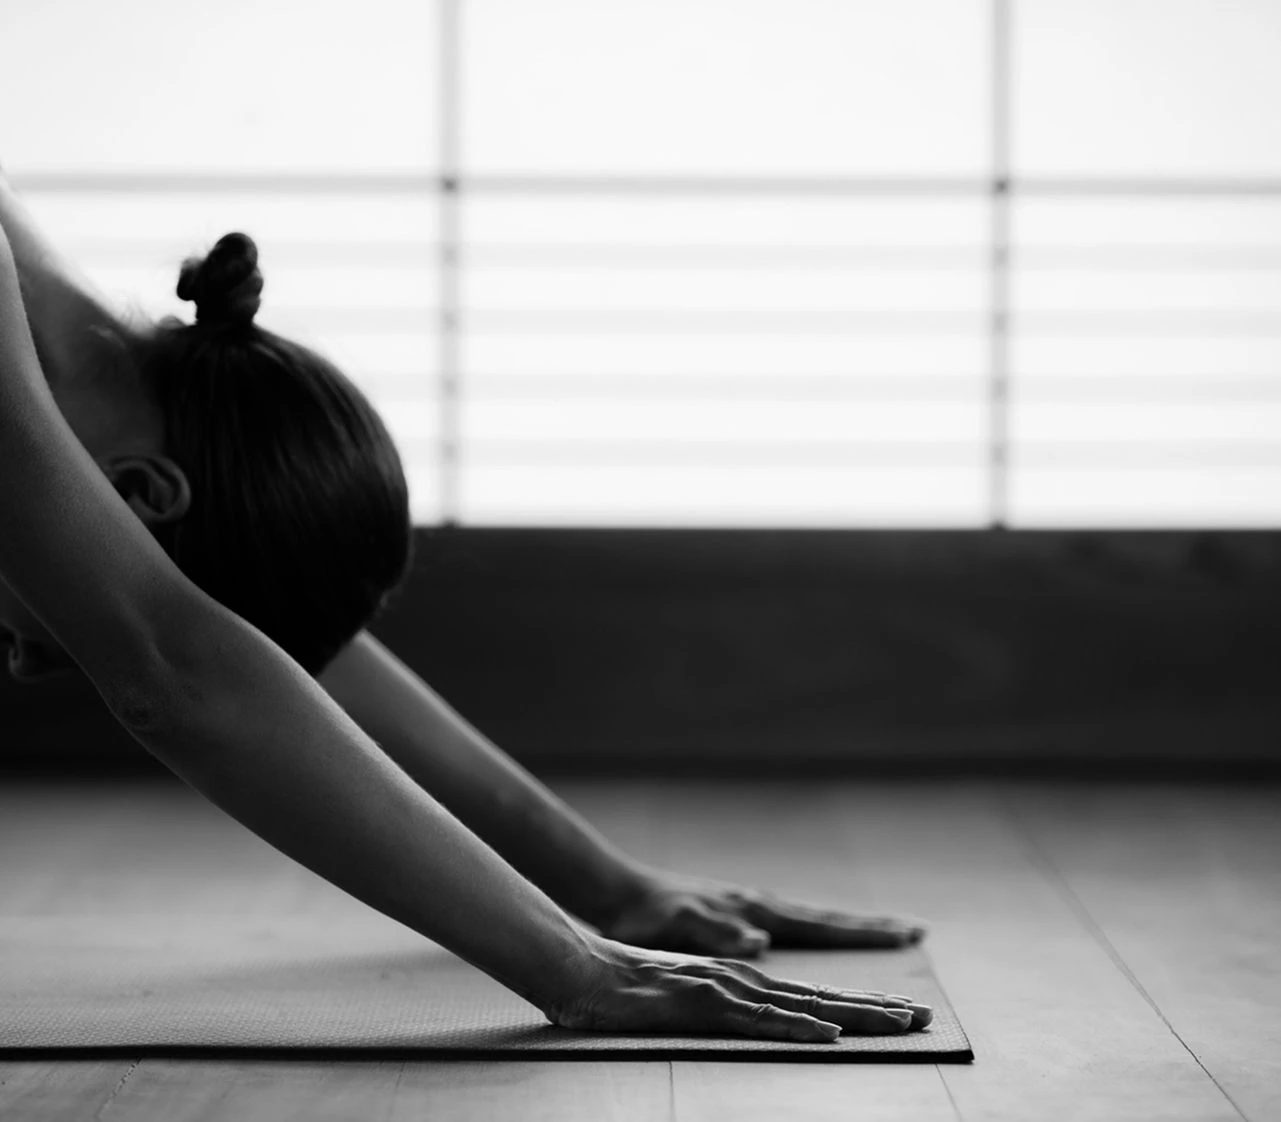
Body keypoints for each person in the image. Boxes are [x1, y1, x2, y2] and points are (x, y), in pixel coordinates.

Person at [0, 170, 930, 1040]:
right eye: (61, 651)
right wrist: (576, 966)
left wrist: (603, 889)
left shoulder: (78, 358)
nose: (29, 663)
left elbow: (230, 641)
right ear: (136, 501)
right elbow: (170, 657)